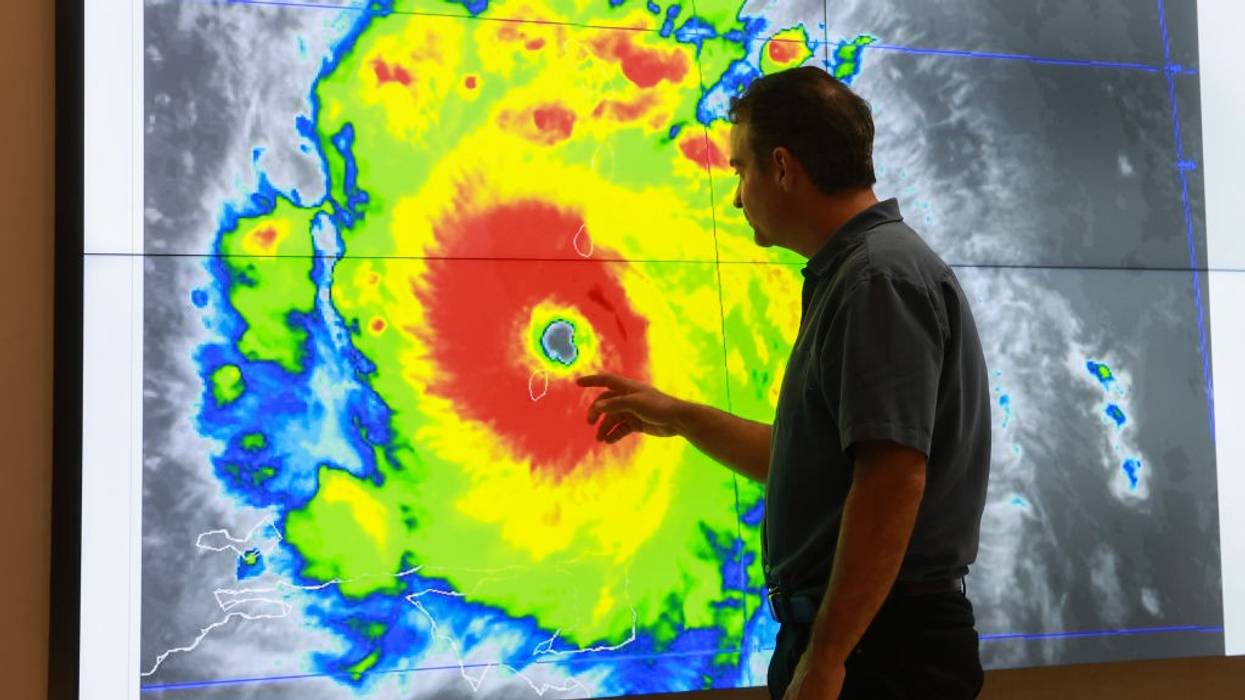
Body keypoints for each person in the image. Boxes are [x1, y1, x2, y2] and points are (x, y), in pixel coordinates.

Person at [577, 65, 991, 699]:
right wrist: (680, 416)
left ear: (782, 166)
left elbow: (890, 480)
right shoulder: (858, 274)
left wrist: (827, 659)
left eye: (740, 170)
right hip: (868, 640)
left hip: (880, 652)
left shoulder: (876, 280)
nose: (736, 196)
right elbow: (807, 465)